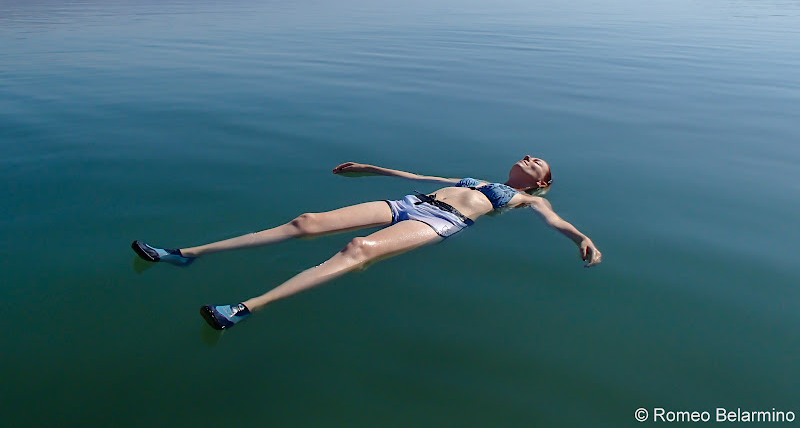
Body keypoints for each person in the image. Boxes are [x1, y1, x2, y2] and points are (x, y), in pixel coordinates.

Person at [131, 155, 602, 330]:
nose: (529, 158)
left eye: (538, 163)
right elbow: (422, 176)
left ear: (541, 184)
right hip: (410, 202)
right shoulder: (476, 176)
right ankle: (184, 254)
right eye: (528, 156)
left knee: (358, 251)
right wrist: (372, 169)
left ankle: (244, 308)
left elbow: (556, 220)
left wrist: (581, 238)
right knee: (307, 221)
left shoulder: (525, 200)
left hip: (446, 220)